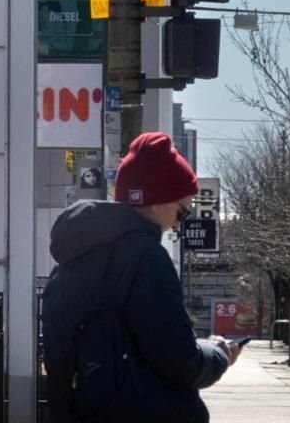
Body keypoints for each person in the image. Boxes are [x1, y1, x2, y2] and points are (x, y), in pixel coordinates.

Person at [41, 131, 240, 423]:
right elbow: (181, 361)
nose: (176, 225)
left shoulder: (72, 261)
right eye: (181, 212)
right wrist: (219, 353)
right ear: (157, 201)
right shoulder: (146, 259)